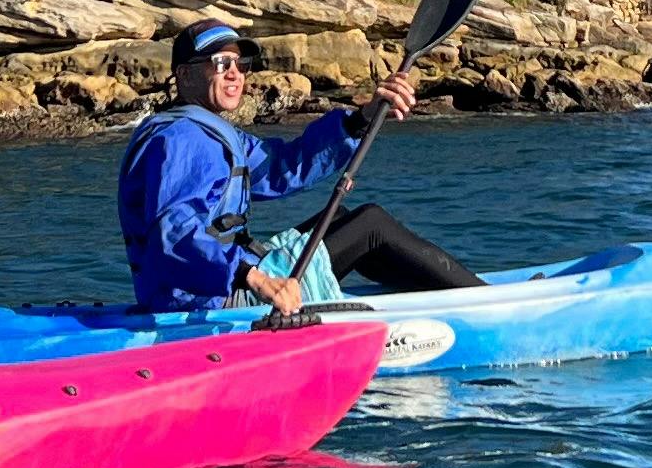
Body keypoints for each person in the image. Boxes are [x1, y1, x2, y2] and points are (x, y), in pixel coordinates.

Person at [121, 18, 482, 317]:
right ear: (184, 75)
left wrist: (360, 119)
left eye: (240, 64)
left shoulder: (210, 131)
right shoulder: (180, 139)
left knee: (341, 218)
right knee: (370, 225)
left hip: (220, 283)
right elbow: (175, 234)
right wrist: (256, 278)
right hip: (209, 299)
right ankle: (481, 302)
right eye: (220, 64)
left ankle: (427, 298)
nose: (234, 74)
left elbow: (282, 167)